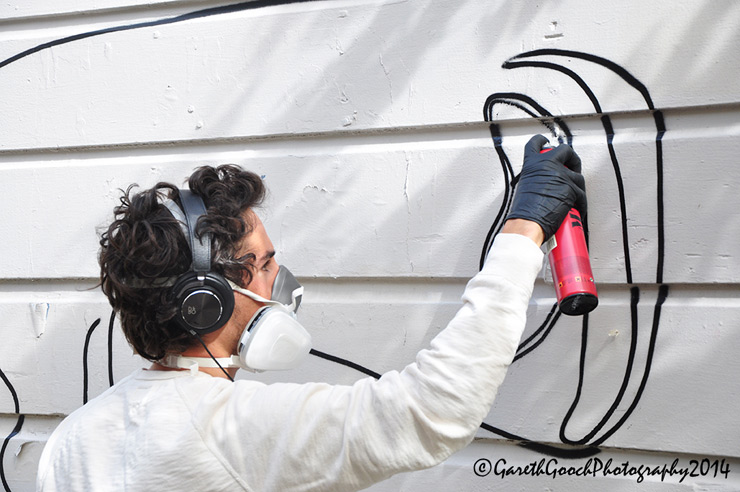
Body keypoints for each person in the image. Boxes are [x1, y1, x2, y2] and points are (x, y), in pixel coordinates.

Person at [36, 134, 586, 491]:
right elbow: (431, 412)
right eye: (264, 263)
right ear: (208, 299)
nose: (281, 278)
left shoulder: (68, 443)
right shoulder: (231, 429)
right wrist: (523, 231)